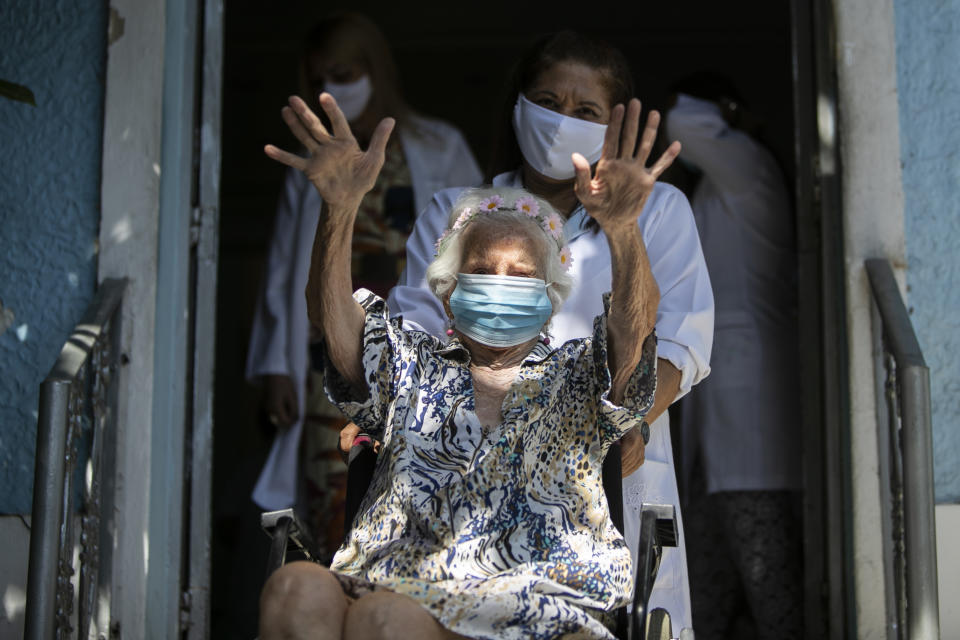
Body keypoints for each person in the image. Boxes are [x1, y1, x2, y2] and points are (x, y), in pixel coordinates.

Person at [258, 85, 679, 639]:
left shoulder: (580, 372)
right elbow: (335, 326)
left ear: (552, 295)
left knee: (385, 621)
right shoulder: (409, 362)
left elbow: (634, 334)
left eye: (522, 275)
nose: (501, 284)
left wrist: (624, 232)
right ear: (448, 290)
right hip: (396, 577)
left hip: (540, 600)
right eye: (483, 269)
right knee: (295, 588)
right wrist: (340, 209)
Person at [383, 31, 713, 631]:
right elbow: (415, 340)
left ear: (612, 130)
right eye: (547, 101)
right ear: (517, 107)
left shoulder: (659, 210)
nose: (563, 122)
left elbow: (684, 342)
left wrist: (628, 426)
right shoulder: (456, 212)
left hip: (613, 474)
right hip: (475, 473)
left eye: (585, 111)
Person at [245, 12, 482, 550]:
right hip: (331, 360)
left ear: (376, 69)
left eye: (344, 71)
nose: (333, 86)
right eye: (320, 76)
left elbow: (481, 239)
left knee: (421, 500)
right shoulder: (314, 165)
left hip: (424, 357)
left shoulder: (438, 145)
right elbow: (284, 271)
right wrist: (278, 370)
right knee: (334, 502)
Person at [664, 74, 802, 639]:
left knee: (770, 580)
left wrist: (716, 109)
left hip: (751, 420)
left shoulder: (749, 167)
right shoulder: (721, 188)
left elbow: (681, 123)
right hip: (717, 425)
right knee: (708, 587)